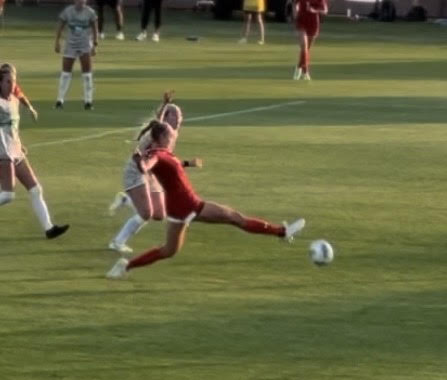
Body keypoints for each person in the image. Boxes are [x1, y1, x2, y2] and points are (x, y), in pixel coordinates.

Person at [106, 116, 302, 277]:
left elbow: (164, 164)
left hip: (178, 209)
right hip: (189, 205)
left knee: (168, 251)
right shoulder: (157, 154)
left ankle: (125, 266)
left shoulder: (164, 152)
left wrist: (188, 163)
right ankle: (281, 232)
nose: (173, 136)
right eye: (170, 134)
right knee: (235, 218)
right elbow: (147, 166)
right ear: (162, 137)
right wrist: (140, 163)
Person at [0, 63, 68, 239]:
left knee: (36, 189)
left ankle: (49, 229)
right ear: (0, 83)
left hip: (15, 150)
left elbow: (12, 128)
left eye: (13, 81)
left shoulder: (14, 101)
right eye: (7, 82)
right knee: (8, 195)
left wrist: (18, 144)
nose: (11, 85)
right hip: (2, 152)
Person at [106, 94, 183, 254]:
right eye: (174, 114)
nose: (178, 117)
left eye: (179, 115)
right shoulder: (156, 134)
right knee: (146, 213)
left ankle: (126, 200)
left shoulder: (173, 134)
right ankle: (117, 242)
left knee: (159, 214)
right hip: (137, 170)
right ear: (166, 119)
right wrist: (164, 105)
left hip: (151, 174)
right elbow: (159, 120)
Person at [54, 0, 99, 108]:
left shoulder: (90, 12)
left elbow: (95, 29)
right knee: (65, 73)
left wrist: (95, 44)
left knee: (87, 74)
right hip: (70, 45)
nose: (82, 0)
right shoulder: (68, 12)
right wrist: (57, 42)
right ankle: (60, 100)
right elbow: (60, 26)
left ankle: (88, 101)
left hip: (84, 45)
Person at [292, 0, 329, 81]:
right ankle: (306, 72)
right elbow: (295, 5)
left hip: (313, 23)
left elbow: (325, 10)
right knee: (303, 46)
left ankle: (299, 67)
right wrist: (295, 11)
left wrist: (314, 10)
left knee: (307, 49)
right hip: (301, 22)